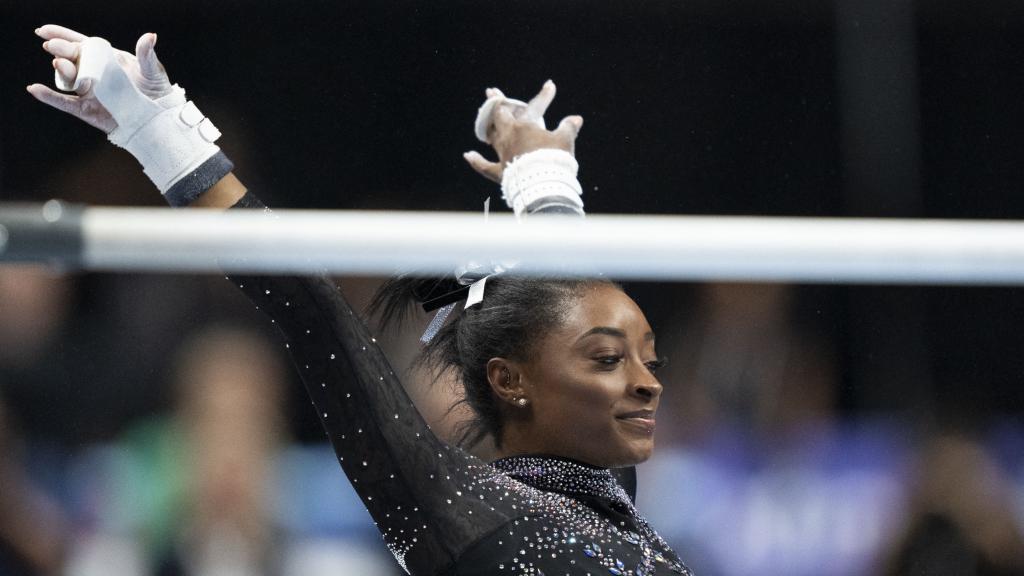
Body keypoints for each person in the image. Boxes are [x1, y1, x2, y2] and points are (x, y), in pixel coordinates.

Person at [29, 24, 693, 575]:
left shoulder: (600, 496)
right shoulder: (459, 514)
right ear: (513, 381)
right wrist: (154, 127)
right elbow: (309, 306)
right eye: (610, 360)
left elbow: (573, 302)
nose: (648, 385)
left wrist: (545, 185)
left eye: (648, 360)